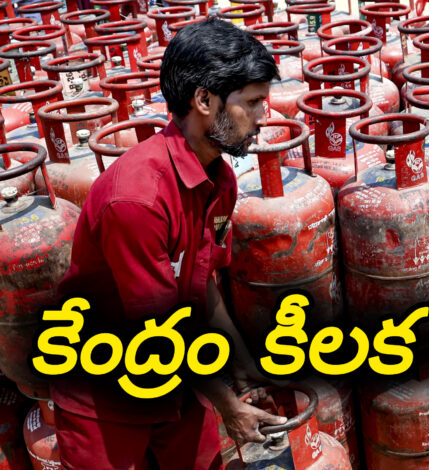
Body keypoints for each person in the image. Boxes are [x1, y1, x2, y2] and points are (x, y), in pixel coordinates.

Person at [52, 17, 286, 470]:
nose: (264, 116)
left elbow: (201, 285)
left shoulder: (219, 179)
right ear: (204, 100)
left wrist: (242, 365)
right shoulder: (137, 199)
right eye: (253, 102)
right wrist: (228, 405)